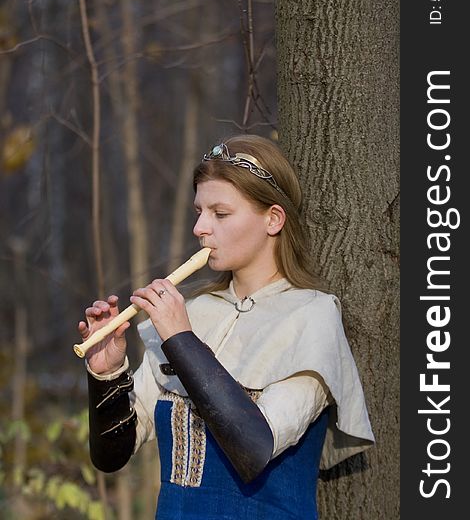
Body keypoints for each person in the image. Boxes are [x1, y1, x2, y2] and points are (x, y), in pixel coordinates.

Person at [78, 134, 375, 520]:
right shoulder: (195, 311)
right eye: (199, 211)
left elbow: (254, 448)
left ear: (273, 219)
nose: (201, 227)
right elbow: (112, 456)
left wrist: (181, 339)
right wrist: (107, 374)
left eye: (220, 214)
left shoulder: (312, 316)